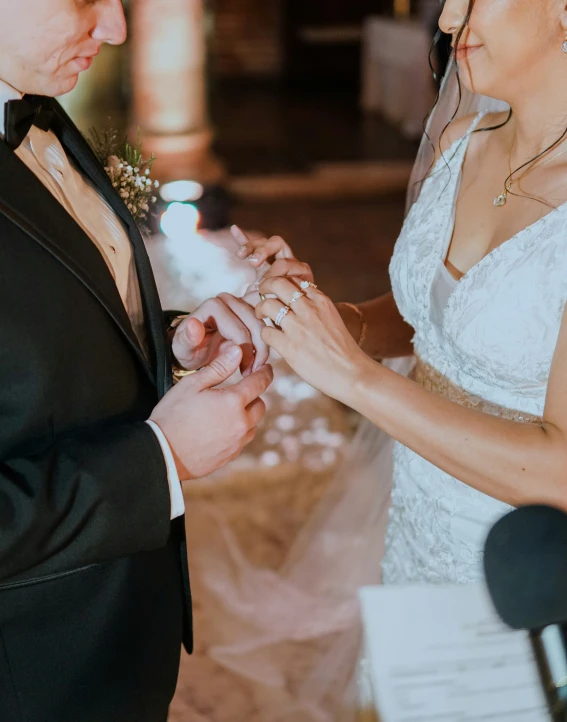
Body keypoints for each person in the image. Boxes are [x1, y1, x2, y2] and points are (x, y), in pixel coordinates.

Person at [212, 0, 567, 718]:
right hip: (415, 522)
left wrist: (347, 375)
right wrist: (324, 319)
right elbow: (424, 321)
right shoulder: (462, 138)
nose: (446, 22)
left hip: (524, 561)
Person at [0, 1, 313, 720]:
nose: (114, 28)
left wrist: (168, 343)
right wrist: (161, 456)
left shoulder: (35, 104)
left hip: (119, 638)